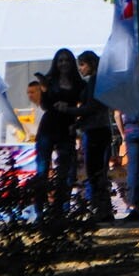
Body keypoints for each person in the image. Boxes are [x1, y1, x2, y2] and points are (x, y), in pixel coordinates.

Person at [35, 48, 85, 221]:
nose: (63, 63)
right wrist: (44, 88)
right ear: (55, 64)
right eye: (60, 60)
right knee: (42, 169)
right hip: (48, 127)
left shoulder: (79, 84)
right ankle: (39, 211)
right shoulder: (49, 80)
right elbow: (44, 105)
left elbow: (86, 108)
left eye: (66, 60)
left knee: (66, 171)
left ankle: (61, 209)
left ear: (72, 63)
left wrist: (75, 119)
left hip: (67, 128)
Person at [74, 51, 115, 223]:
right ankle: (103, 209)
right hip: (101, 129)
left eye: (82, 65)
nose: (81, 69)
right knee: (99, 172)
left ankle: (101, 209)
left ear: (91, 63)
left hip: (95, 129)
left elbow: (92, 107)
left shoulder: (95, 81)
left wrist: (72, 113)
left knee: (95, 172)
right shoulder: (100, 80)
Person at [113, 108, 139, 221]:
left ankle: (133, 205)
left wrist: (123, 135)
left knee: (133, 170)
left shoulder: (124, 92)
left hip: (129, 131)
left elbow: (117, 115)